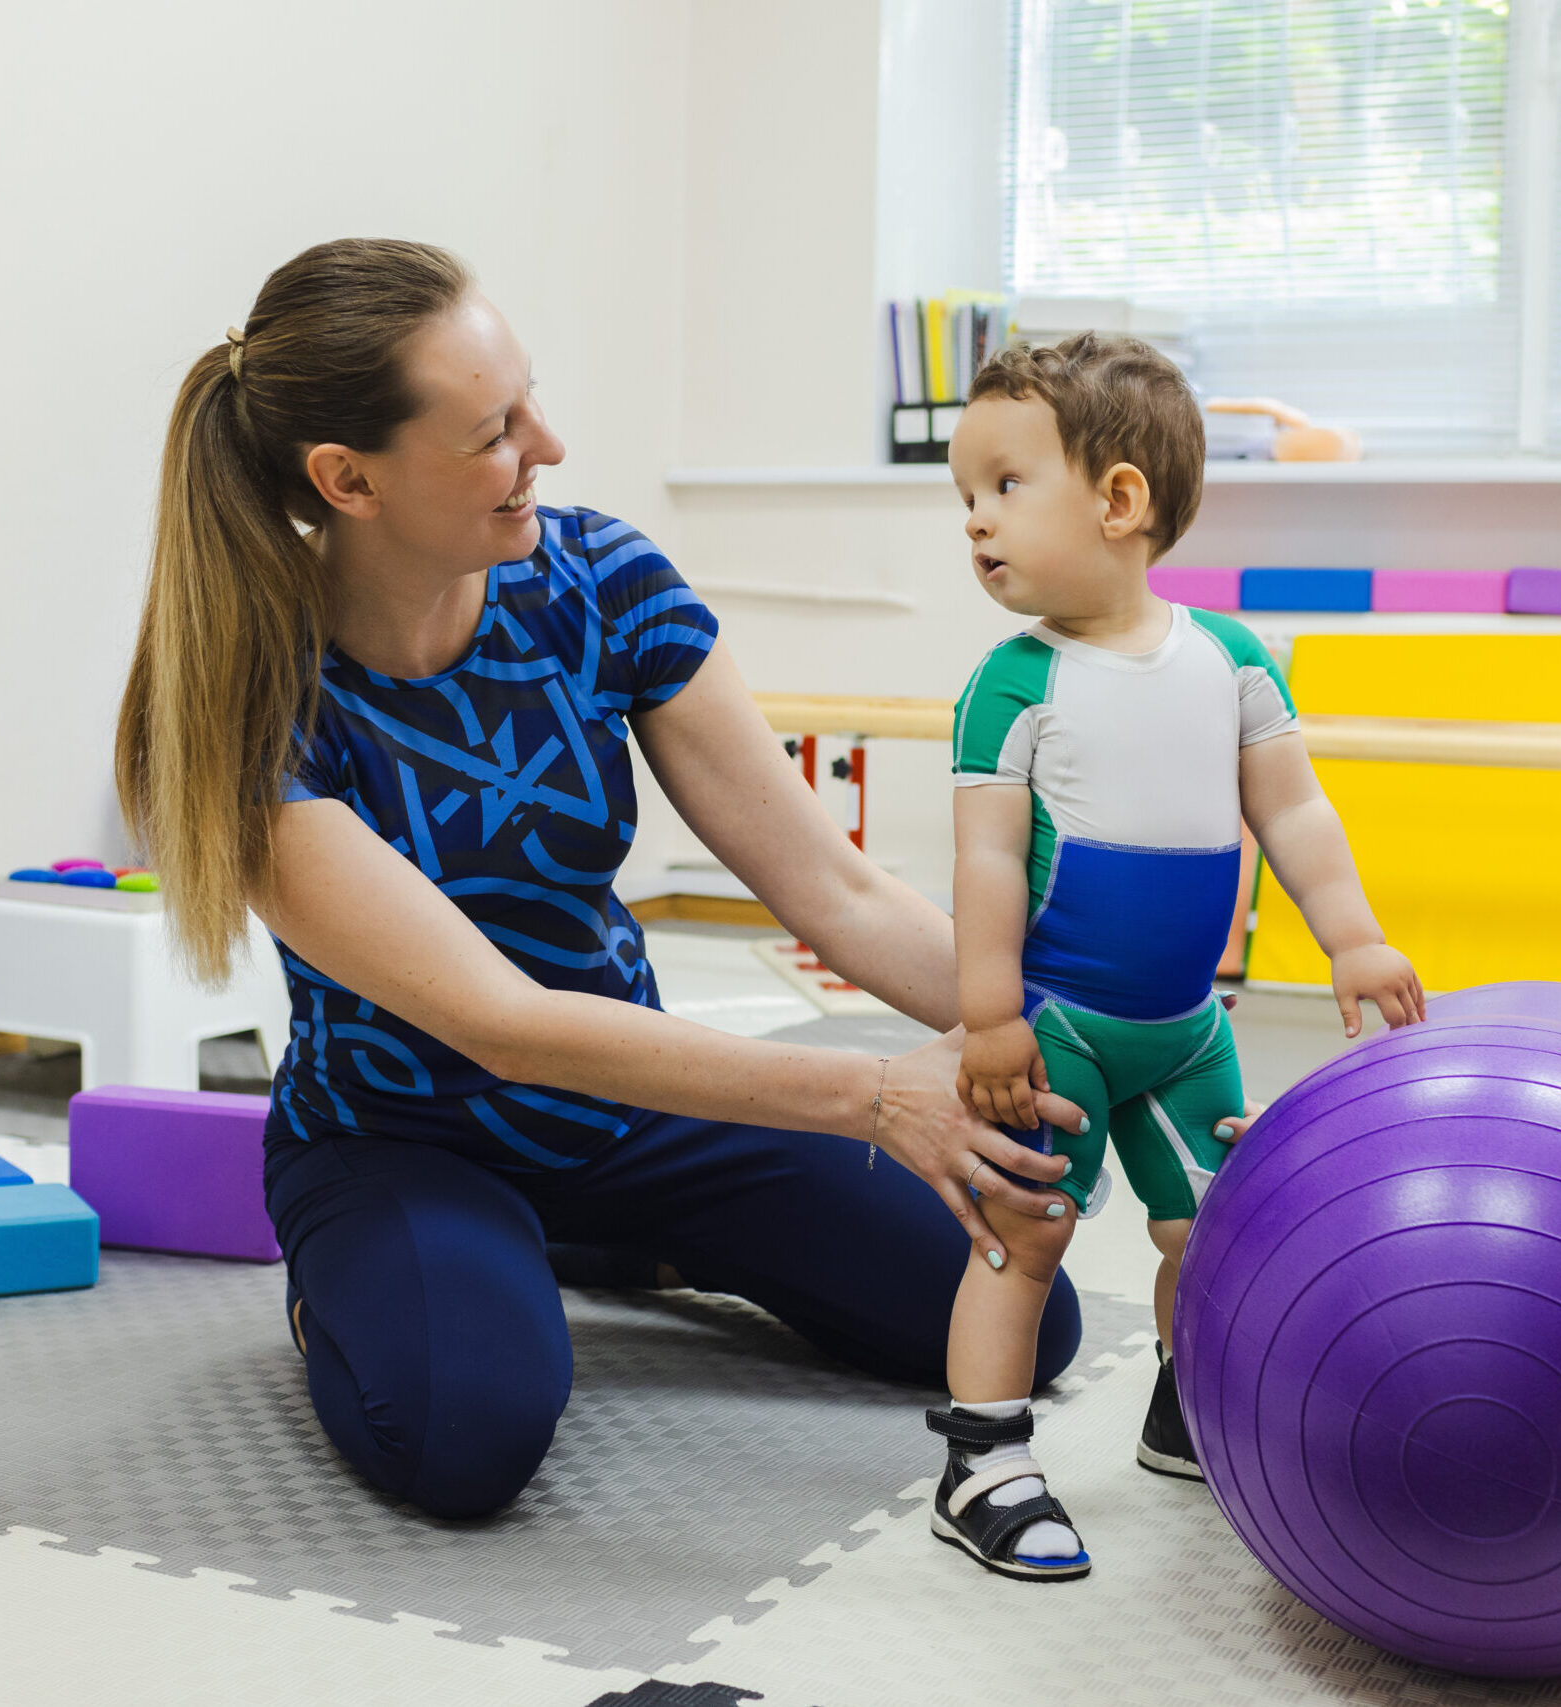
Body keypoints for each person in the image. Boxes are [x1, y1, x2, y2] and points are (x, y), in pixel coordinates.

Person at [114, 238, 1094, 1521]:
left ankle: (624, 1234)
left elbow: (834, 893)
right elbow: (499, 1025)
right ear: (348, 479)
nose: (551, 445)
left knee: (1029, 1311)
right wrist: (873, 1097)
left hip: (634, 1105)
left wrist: (1060, 1031)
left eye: (530, 399)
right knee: (463, 1439)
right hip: (406, 1141)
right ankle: (350, 1283)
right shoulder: (256, 703)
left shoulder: (604, 583)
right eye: (495, 431)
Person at [924, 334, 1426, 1581]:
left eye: (1003, 487)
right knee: (1022, 1230)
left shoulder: (1233, 661)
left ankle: (1185, 1405)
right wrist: (988, 1016)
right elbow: (986, 866)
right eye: (964, 498)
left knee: (1211, 1233)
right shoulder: (1013, 681)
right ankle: (982, 1459)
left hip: (1188, 1024)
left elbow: (1294, 813)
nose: (975, 522)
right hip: (1062, 1028)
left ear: (1120, 500)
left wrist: (1352, 939)